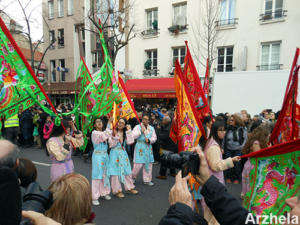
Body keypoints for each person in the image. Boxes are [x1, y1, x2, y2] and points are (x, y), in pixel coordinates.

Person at [203, 121, 241, 225]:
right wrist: (231, 160)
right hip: (214, 181)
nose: (223, 132)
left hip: (211, 181)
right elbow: (216, 166)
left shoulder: (211, 142)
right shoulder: (214, 146)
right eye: (220, 130)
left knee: (210, 211)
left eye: (224, 130)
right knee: (213, 213)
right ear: (215, 131)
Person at [107, 118, 138, 198]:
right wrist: (115, 137)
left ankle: (129, 187)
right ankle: (117, 191)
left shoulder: (125, 133)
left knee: (127, 170)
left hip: (123, 154)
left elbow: (130, 142)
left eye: (122, 123)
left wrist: (129, 131)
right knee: (115, 172)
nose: (120, 124)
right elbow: (111, 145)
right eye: (119, 122)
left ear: (125, 125)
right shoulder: (112, 132)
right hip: (114, 153)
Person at [241, 125, 270, 199]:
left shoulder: (256, 142)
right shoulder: (256, 143)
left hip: (251, 165)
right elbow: (258, 156)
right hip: (253, 167)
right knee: (251, 188)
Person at [91, 117, 113, 206]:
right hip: (97, 155)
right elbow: (103, 136)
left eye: (100, 121)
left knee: (106, 174)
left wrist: (115, 136)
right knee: (97, 175)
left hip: (105, 155)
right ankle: (95, 196)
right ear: (94, 125)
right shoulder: (94, 133)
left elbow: (111, 143)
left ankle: (105, 192)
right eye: (97, 122)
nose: (99, 123)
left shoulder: (105, 133)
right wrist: (109, 123)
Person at [130, 114, 157, 186]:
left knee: (148, 164)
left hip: (148, 147)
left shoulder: (151, 128)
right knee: (137, 164)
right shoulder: (138, 127)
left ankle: (147, 180)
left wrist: (150, 140)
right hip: (140, 146)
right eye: (143, 119)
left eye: (146, 119)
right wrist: (140, 132)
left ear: (148, 121)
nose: (144, 120)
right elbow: (133, 136)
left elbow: (154, 137)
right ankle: (132, 177)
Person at [223, 114, 247, 184]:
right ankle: (228, 177)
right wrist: (222, 147)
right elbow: (224, 139)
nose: (230, 121)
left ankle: (236, 178)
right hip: (228, 149)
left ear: (237, 121)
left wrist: (242, 147)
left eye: (232, 120)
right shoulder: (227, 128)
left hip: (238, 149)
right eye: (230, 120)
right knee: (228, 163)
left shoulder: (242, 128)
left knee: (237, 164)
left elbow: (245, 139)